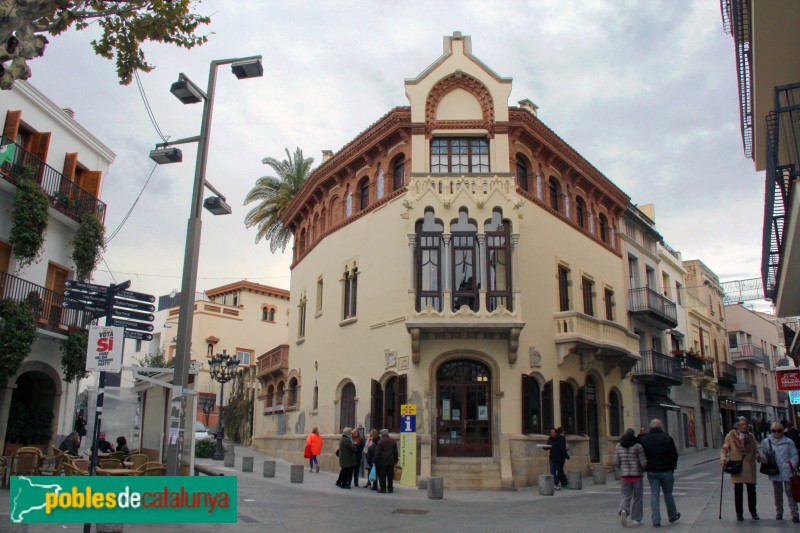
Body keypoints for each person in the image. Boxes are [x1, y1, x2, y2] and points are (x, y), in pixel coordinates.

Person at [639, 419, 680, 527]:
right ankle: (672, 515)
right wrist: (672, 466)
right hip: (666, 470)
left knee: (654, 494)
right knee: (668, 494)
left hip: (652, 471)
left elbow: (641, 454)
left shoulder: (644, 439)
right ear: (661, 427)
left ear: (650, 427)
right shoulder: (667, 438)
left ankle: (656, 519)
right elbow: (674, 454)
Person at [721, 416, 760, 521]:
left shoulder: (751, 436)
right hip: (738, 465)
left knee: (751, 490)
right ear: (737, 426)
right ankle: (739, 513)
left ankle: (753, 511)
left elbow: (755, 450)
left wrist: (760, 458)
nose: (744, 426)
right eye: (742, 424)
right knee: (738, 490)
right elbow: (725, 448)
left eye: (746, 424)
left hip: (749, 465)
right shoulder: (731, 436)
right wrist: (723, 459)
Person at [761, 422, 799, 522]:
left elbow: (794, 455)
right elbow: (763, 454)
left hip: (787, 471)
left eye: (779, 431)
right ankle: (779, 512)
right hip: (775, 471)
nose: (776, 433)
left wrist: (790, 465)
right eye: (774, 431)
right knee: (777, 494)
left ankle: (794, 513)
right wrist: (764, 459)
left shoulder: (789, 442)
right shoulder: (766, 442)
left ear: (783, 431)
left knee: (790, 493)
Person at [615, 428, 647, 528]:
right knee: (638, 498)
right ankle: (636, 519)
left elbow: (616, 461)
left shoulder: (618, 446)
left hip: (625, 476)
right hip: (637, 476)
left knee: (625, 496)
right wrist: (643, 468)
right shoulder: (638, 446)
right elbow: (643, 462)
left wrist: (622, 469)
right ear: (633, 435)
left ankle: (623, 510)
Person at [374, 428, 399, 493]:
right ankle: (390, 489)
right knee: (390, 476)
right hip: (391, 461)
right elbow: (395, 452)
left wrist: (375, 460)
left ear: (382, 434)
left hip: (382, 462)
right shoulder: (393, 441)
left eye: (381, 434)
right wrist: (396, 460)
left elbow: (377, 452)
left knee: (382, 476)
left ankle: (383, 488)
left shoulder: (380, 441)